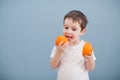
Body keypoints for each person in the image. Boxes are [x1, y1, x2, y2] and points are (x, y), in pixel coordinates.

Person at [50, 10, 96, 80]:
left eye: (73, 29)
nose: (68, 31)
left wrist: (89, 58)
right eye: (66, 28)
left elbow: (90, 68)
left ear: (82, 31)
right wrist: (58, 52)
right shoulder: (59, 45)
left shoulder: (85, 46)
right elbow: (53, 66)